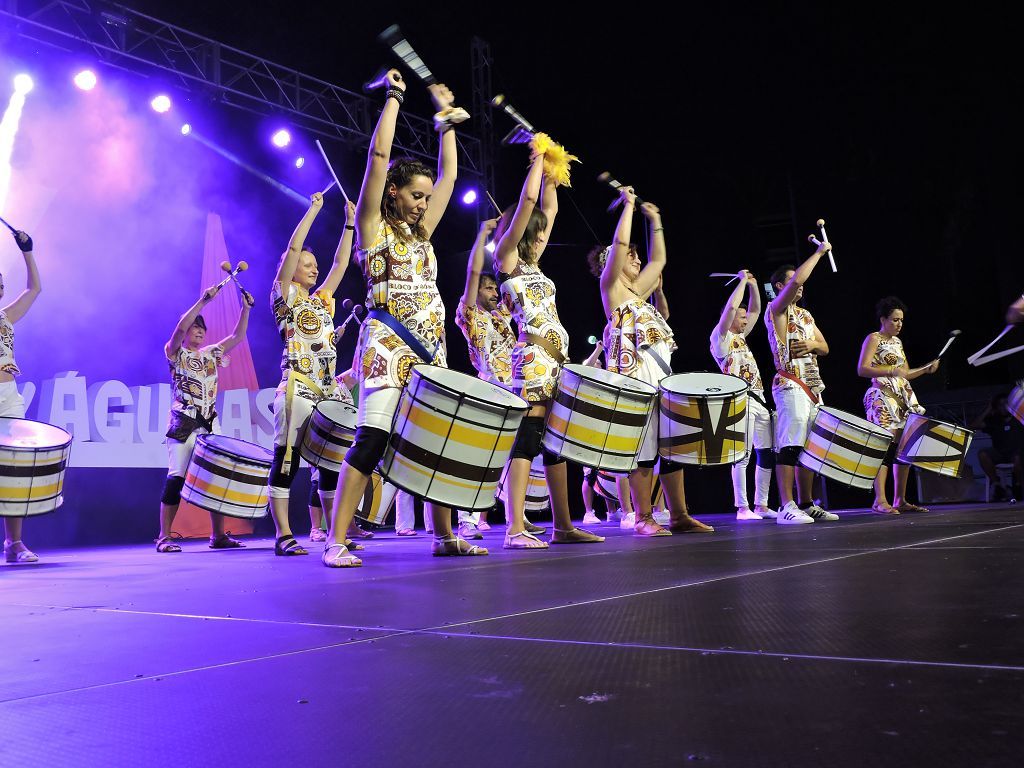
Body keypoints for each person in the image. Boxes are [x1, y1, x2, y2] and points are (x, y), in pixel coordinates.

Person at [325, 69, 484, 566]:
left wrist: (446, 125)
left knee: (435, 443)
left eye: (424, 196)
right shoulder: (373, 230)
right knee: (373, 438)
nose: (422, 204)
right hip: (386, 348)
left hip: (430, 351)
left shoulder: (424, 237)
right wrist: (394, 98)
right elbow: (376, 159)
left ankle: (445, 537)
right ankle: (335, 540)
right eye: (414, 195)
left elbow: (450, 179)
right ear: (393, 193)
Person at [494, 143, 603, 549]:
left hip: (556, 361)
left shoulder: (537, 266)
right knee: (528, 435)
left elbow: (550, 209)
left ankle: (563, 524)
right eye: (534, 234)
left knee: (556, 442)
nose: (540, 240)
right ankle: (514, 527)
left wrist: (554, 172)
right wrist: (538, 157)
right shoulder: (505, 259)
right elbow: (527, 202)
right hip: (532, 358)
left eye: (542, 236)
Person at [589, 187, 712, 535]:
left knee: (671, 446)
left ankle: (678, 514)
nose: (637, 261)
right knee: (642, 449)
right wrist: (628, 207)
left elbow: (659, 262)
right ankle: (643, 517)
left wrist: (655, 220)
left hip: (660, 372)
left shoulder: (637, 293)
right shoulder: (610, 287)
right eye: (630, 256)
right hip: (634, 374)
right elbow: (618, 248)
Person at [267, 196, 355, 557]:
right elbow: (292, 247)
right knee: (287, 459)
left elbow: (340, 262)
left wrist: (349, 224)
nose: (313, 268)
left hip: (325, 391)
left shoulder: (321, 301)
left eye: (314, 264)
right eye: (306, 264)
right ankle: (284, 534)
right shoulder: (284, 296)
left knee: (331, 465)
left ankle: (335, 532)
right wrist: (314, 210)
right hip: (297, 387)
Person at [156, 281, 254, 552]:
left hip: (210, 421)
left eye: (202, 327)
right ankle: (164, 537)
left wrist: (245, 309)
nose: (198, 329)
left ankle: (217, 535)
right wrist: (203, 302)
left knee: (216, 478)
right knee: (176, 477)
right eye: (194, 326)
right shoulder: (175, 353)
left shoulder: (211, 354)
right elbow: (179, 328)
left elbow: (237, 336)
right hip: (183, 422)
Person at [765, 241, 839, 524]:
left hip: (812, 386)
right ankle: (786, 505)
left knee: (811, 446)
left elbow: (825, 347)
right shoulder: (776, 309)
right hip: (790, 383)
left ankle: (806, 503)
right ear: (780, 286)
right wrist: (819, 253)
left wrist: (810, 344)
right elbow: (798, 278)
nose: (800, 285)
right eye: (792, 282)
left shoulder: (805, 315)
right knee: (790, 444)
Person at [857, 296, 940, 513]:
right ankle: (879, 500)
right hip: (880, 396)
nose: (899, 324)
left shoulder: (897, 342)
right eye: (894, 320)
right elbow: (862, 369)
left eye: (901, 320)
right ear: (883, 319)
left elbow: (906, 373)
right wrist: (890, 370)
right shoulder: (873, 338)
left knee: (904, 448)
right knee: (885, 446)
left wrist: (925, 369)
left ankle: (899, 499)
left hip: (902, 398)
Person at [710, 270, 776, 520]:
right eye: (741, 316)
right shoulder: (721, 338)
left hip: (759, 399)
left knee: (766, 452)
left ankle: (762, 504)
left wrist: (753, 286)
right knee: (742, 455)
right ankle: (743, 507)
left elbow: (757, 311)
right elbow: (729, 309)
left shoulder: (741, 337)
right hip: (740, 400)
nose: (746, 320)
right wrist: (740, 282)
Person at [1, 230, 42, 563]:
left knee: (13, 468)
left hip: (8, 395)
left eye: (0, 283)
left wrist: (27, 251)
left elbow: (34, 289)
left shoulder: (6, 317)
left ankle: (13, 544)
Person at [972, 392, 1024, 500]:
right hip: (1000, 453)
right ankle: (998, 485)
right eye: (1001, 405)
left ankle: (1018, 486)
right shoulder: (994, 422)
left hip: (1018, 454)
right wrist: (988, 408)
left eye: (1006, 404)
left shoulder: (1019, 420)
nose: (1004, 407)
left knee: (1018, 457)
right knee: (982, 454)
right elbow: (974, 425)